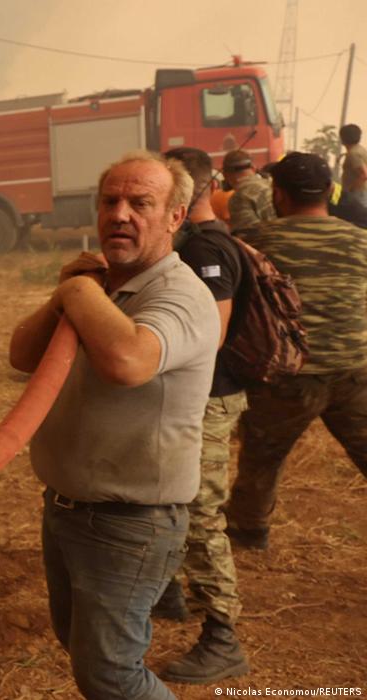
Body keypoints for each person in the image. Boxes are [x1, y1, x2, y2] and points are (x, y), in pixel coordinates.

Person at [8, 151, 219, 699]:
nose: (120, 214)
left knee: (109, 672)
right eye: (110, 202)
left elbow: (130, 361)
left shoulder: (181, 295)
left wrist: (77, 292)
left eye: (140, 203)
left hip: (130, 519)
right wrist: (70, 293)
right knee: (81, 646)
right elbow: (22, 354)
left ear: (175, 216)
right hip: (69, 507)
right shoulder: (103, 287)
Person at [226, 152, 367, 551]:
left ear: (278, 194)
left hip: (286, 376)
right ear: (328, 191)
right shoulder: (360, 239)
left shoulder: (255, 241)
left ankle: (249, 532)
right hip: (353, 368)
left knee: (262, 457)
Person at [153, 147, 252, 683]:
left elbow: (208, 336)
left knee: (200, 512)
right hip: (195, 397)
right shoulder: (192, 244)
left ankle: (223, 637)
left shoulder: (210, 248)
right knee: (170, 495)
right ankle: (167, 594)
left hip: (210, 400)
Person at [223, 150, 275, 236]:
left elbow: (247, 237)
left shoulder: (238, 197)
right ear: (254, 168)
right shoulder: (271, 186)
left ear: (225, 174)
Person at [342, 124, 366, 208]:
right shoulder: (361, 150)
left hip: (357, 194)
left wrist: (350, 190)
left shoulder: (353, 154)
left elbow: (364, 174)